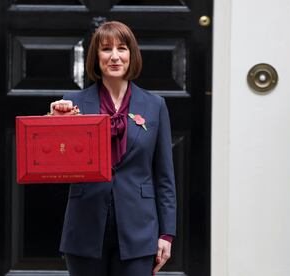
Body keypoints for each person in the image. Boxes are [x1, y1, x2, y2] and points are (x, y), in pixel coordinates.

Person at [50, 21, 176, 276]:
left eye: (122, 48)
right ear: (96, 57)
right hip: (84, 228)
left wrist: (167, 233)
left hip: (139, 229)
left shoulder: (155, 105)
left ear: (132, 54)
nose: (115, 56)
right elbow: (53, 160)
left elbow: (164, 176)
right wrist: (55, 122)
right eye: (106, 49)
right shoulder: (72, 103)